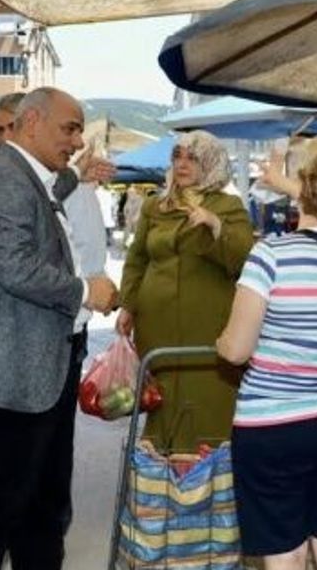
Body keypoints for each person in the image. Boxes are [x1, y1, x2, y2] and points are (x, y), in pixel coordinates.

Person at [0, 87, 119, 570]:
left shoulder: (29, 177)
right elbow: (16, 268)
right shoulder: (3, 180)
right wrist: (86, 291)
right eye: (70, 128)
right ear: (32, 121)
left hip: (43, 365)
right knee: (1, 509)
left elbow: (48, 195)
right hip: (16, 373)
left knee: (39, 504)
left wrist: (76, 175)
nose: (77, 141)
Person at [217, 136, 317, 570]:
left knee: (284, 553)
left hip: (276, 429)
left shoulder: (269, 255)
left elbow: (235, 351)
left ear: (307, 186)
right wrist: (292, 183)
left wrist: (220, 339)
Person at [116, 130, 255, 452]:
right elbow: (137, 259)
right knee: (160, 401)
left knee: (207, 402)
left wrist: (215, 225)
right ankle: (160, 480)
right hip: (156, 326)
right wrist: (128, 306)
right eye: (177, 156)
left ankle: (207, 481)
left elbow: (245, 259)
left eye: (193, 157)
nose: (182, 163)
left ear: (212, 164)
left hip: (207, 327)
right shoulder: (155, 206)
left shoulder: (229, 205)